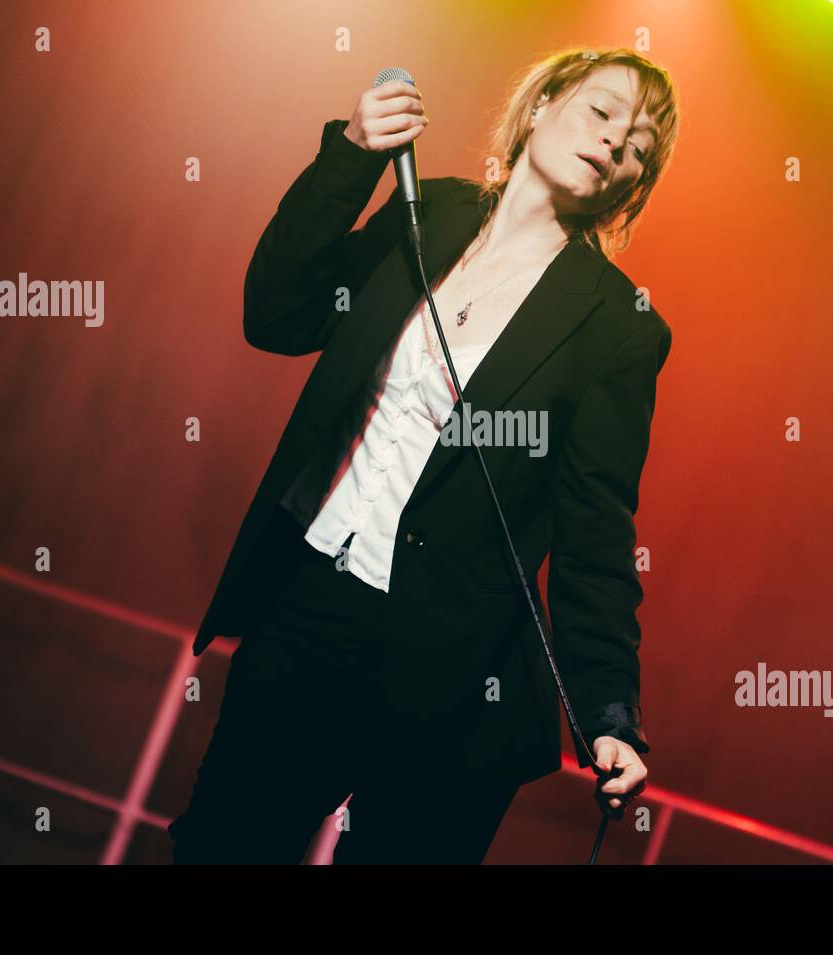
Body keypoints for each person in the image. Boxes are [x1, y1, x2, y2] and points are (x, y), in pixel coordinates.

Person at [168, 46, 680, 864]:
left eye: (641, 147)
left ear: (632, 183)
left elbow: (596, 539)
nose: (619, 142)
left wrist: (611, 714)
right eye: (602, 112)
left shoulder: (618, 329)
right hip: (309, 609)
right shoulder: (429, 215)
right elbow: (277, 313)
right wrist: (350, 158)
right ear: (542, 102)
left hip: (455, 675)